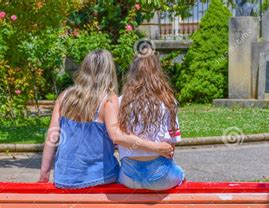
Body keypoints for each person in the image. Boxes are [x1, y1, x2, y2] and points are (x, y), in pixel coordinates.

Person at [39, 49, 174, 188]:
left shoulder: (64, 97)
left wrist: (44, 175)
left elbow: (52, 137)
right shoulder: (108, 99)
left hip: (64, 179)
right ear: (109, 71)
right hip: (100, 178)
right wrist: (156, 147)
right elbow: (116, 136)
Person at [117, 49, 185, 190]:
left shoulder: (120, 102)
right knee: (180, 173)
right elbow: (171, 149)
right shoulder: (167, 101)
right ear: (157, 73)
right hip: (161, 177)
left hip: (128, 178)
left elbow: (117, 142)